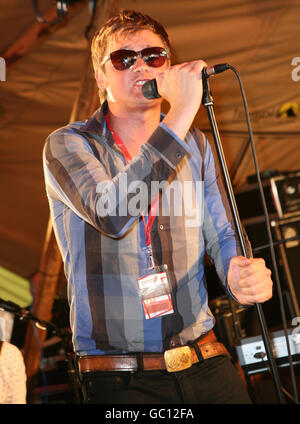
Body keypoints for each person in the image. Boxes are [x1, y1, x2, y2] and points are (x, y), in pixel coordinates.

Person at [43, 10, 273, 404]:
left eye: (154, 56)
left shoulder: (197, 145)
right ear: (101, 77)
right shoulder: (68, 145)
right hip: (120, 380)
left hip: (205, 358)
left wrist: (237, 269)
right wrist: (183, 110)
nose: (141, 66)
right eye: (123, 59)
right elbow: (111, 214)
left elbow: (224, 231)